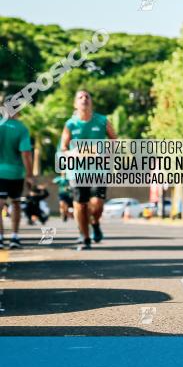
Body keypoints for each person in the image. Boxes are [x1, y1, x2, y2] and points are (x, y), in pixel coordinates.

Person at [60, 89, 117, 251]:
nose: (84, 99)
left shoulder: (102, 121)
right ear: (75, 104)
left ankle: (95, 222)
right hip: (77, 171)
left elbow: (114, 139)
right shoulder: (70, 124)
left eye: (87, 96)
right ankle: (85, 238)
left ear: (91, 102)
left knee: (97, 204)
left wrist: (106, 151)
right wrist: (72, 153)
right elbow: (64, 148)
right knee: (80, 205)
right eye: (80, 97)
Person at [0, 111, 34, 249]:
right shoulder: (22, 128)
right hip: (16, 173)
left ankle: (0, 238)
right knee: (16, 203)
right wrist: (30, 175)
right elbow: (26, 153)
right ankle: (14, 237)